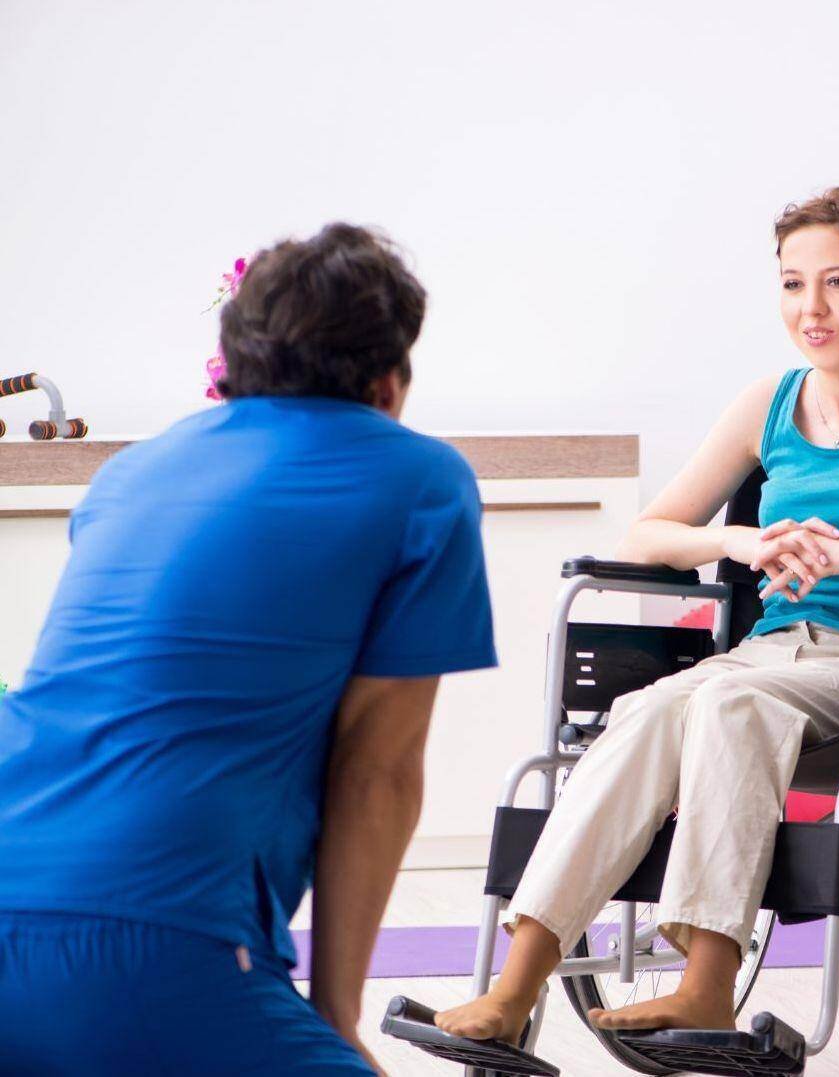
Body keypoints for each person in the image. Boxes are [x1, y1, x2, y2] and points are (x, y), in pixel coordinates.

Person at [435, 187, 839, 1044]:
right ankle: (515, 989)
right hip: (771, 649)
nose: (811, 307)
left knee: (728, 706)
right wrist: (743, 541)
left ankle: (707, 981)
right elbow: (649, 531)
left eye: (837, 282)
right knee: (652, 707)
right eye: (792, 284)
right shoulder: (770, 402)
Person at [0, 224, 496, 1074]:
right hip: (156, 941)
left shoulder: (133, 470)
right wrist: (337, 1018)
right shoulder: (420, 479)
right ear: (388, 378)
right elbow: (377, 770)